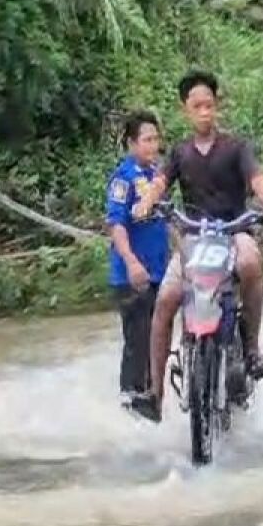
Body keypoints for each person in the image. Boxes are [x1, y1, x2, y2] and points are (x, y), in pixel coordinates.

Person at [129, 71, 263, 423]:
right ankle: (156, 395)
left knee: (252, 262)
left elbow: (259, 182)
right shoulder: (178, 152)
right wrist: (145, 202)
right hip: (195, 238)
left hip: (233, 231)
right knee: (165, 300)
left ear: (217, 106)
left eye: (210, 104)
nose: (205, 112)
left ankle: (252, 351)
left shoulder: (236, 148)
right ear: (185, 110)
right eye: (197, 106)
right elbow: (159, 183)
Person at [105, 111, 170, 412]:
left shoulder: (157, 176)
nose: (152, 145)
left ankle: (151, 403)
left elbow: (168, 221)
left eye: (156, 139)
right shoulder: (123, 178)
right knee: (139, 343)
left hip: (158, 272)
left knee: (158, 341)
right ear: (131, 143)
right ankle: (130, 405)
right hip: (133, 276)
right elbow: (116, 225)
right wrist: (131, 263)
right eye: (146, 140)